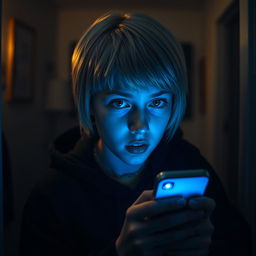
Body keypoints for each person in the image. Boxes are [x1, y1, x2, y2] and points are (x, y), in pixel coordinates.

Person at [20, 11, 251, 256]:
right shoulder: (52, 196)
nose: (140, 125)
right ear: (90, 105)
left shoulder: (187, 162)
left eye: (157, 103)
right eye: (120, 103)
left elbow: (239, 243)